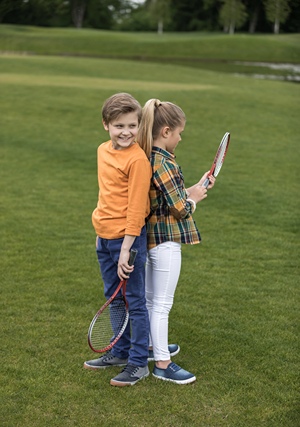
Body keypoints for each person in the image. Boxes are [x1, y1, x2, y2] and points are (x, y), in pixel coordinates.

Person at [138, 98, 215, 385]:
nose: (181, 138)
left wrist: (195, 188)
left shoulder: (147, 156)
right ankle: (162, 363)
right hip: (166, 241)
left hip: (149, 241)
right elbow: (180, 208)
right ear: (166, 131)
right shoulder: (164, 162)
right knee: (162, 304)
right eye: (180, 132)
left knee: (149, 300)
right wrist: (192, 200)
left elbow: (169, 197)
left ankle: (149, 346)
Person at [83, 93, 152, 387]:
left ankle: (138, 363)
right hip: (104, 237)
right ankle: (119, 352)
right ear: (105, 125)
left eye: (132, 126)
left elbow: (136, 209)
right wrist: (101, 233)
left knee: (134, 301)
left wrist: (126, 249)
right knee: (113, 299)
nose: (126, 132)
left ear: (139, 126)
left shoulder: (138, 160)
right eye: (119, 125)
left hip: (128, 242)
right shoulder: (102, 151)